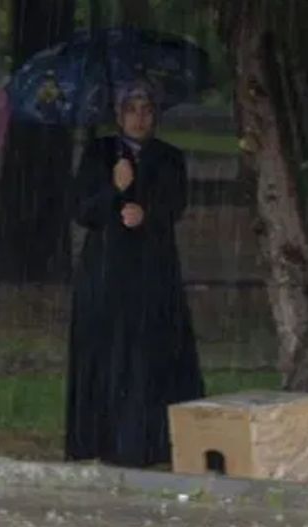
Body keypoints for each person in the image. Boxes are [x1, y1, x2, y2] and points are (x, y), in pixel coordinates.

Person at [64, 81, 204, 468]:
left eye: (146, 110)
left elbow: (175, 204)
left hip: (151, 268)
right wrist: (115, 187)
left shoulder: (169, 157)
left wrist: (147, 214)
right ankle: (100, 438)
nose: (139, 118)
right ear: (118, 114)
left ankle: (147, 441)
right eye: (132, 110)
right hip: (106, 269)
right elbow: (83, 210)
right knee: (107, 354)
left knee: (148, 352)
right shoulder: (100, 153)